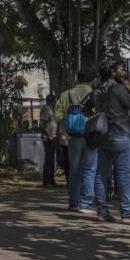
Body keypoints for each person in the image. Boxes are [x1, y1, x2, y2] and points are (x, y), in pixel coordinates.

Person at [90, 60, 130, 224]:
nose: (124, 71)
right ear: (113, 71)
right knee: (123, 176)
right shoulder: (118, 88)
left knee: (101, 175)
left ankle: (102, 212)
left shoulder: (98, 90)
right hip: (119, 134)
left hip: (102, 135)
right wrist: (128, 88)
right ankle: (127, 214)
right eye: (121, 69)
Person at [55, 69, 96, 212]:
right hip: (92, 136)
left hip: (73, 136)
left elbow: (58, 116)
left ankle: (73, 202)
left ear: (77, 79)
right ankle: (86, 203)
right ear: (92, 81)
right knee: (89, 170)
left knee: (74, 169)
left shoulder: (66, 94)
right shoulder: (95, 94)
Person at [40, 94, 58, 187]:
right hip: (48, 138)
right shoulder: (47, 109)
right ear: (52, 101)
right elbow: (42, 124)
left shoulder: (51, 110)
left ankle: (51, 180)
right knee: (48, 159)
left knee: (51, 160)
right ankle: (46, 181)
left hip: (53, 137)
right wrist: (49, 135)